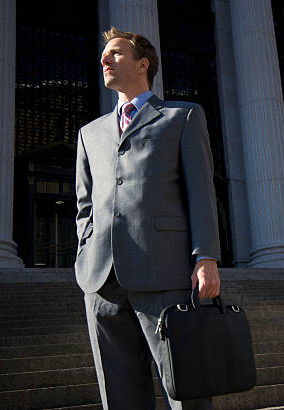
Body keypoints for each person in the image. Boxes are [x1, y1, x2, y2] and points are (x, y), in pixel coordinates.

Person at [74, 27, 221, 410]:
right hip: (101, 282)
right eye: (103, 55)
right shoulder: (90, 133)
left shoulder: (182, 116)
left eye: (116, 53)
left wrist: (205, 257)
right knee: (119, 397)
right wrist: (85, 250)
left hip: (165, 272)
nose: (105, 59)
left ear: (143, 64)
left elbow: (201, 192)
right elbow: (84, 205)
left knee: (185, 390)